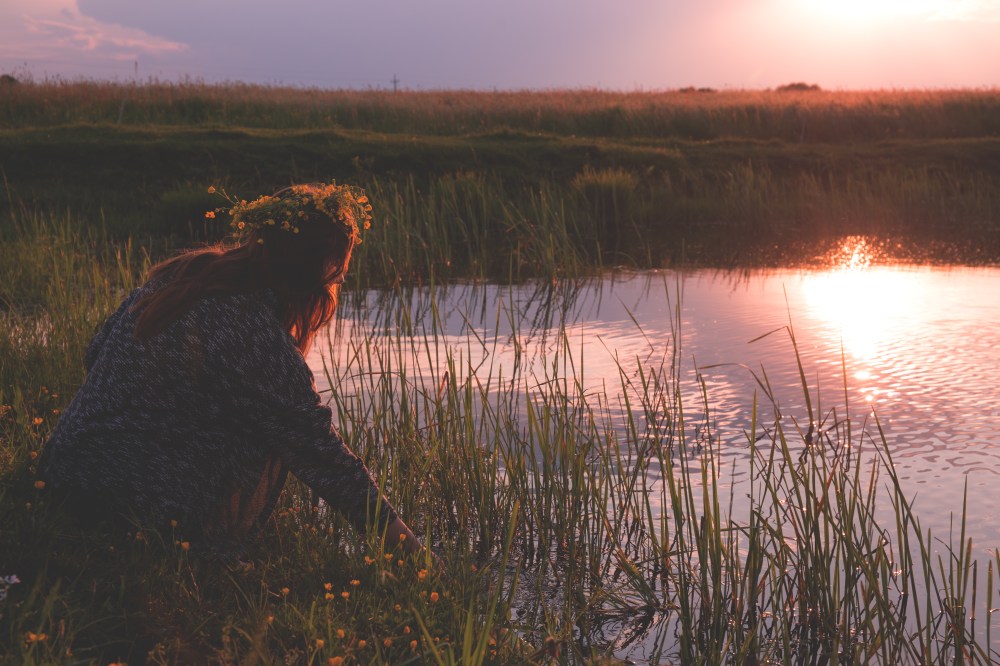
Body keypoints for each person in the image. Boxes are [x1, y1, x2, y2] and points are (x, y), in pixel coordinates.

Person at [38, 182, 422, 561]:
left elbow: (95, 353)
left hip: (62, 473)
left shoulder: (179, 276)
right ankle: (203, 536)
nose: (338, 281)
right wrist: (420, 560)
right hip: (129, 508)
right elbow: (326, 459)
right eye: (337, 270)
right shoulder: (257, 338)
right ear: (313, 269)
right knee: (278, 429)